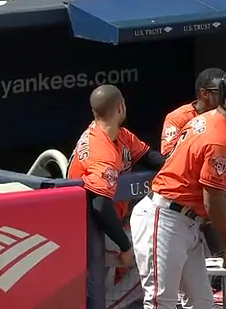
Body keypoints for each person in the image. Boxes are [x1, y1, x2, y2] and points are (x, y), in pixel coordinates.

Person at [130, 68, 226, 309]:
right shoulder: (218, 137)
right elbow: (213, 200)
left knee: (201, 301)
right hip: (165, 217)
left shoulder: (207, 119)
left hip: (185, 220)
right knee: (161, 303)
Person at [67, 85, 164, 309]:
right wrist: (125, 247)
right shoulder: (100, 149)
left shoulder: (120, 135)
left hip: (103, 226)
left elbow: (148, 156)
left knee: (100, 289)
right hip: (90, 230)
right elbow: (99, 204)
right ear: (121, 107)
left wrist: (174, 162)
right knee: (154, 254)